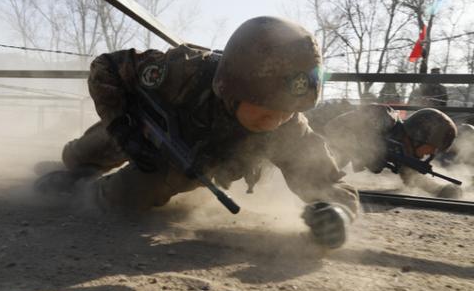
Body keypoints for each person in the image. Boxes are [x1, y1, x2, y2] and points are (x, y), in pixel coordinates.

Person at [36, 17, 359, 249]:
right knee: (79, 155)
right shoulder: (182, 71)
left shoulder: (286, 125)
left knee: (133, 193)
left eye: (288, 112)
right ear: (231, 88)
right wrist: (122, 127)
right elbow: (106, 67)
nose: (276, 121)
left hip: (190, 158)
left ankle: (82, 189)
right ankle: (78, 167)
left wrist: (337, 213)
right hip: (142, 122)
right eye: (265, 109)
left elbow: (325, 180)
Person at [321, 104, 461, 198]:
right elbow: (334, 129)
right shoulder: (384, 118)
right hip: (313, 132)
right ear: (418, 136)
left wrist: (440, 191)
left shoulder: (402, 148)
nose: (426, 155)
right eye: (427, 150)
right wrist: (367, 149)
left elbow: (411, 176)